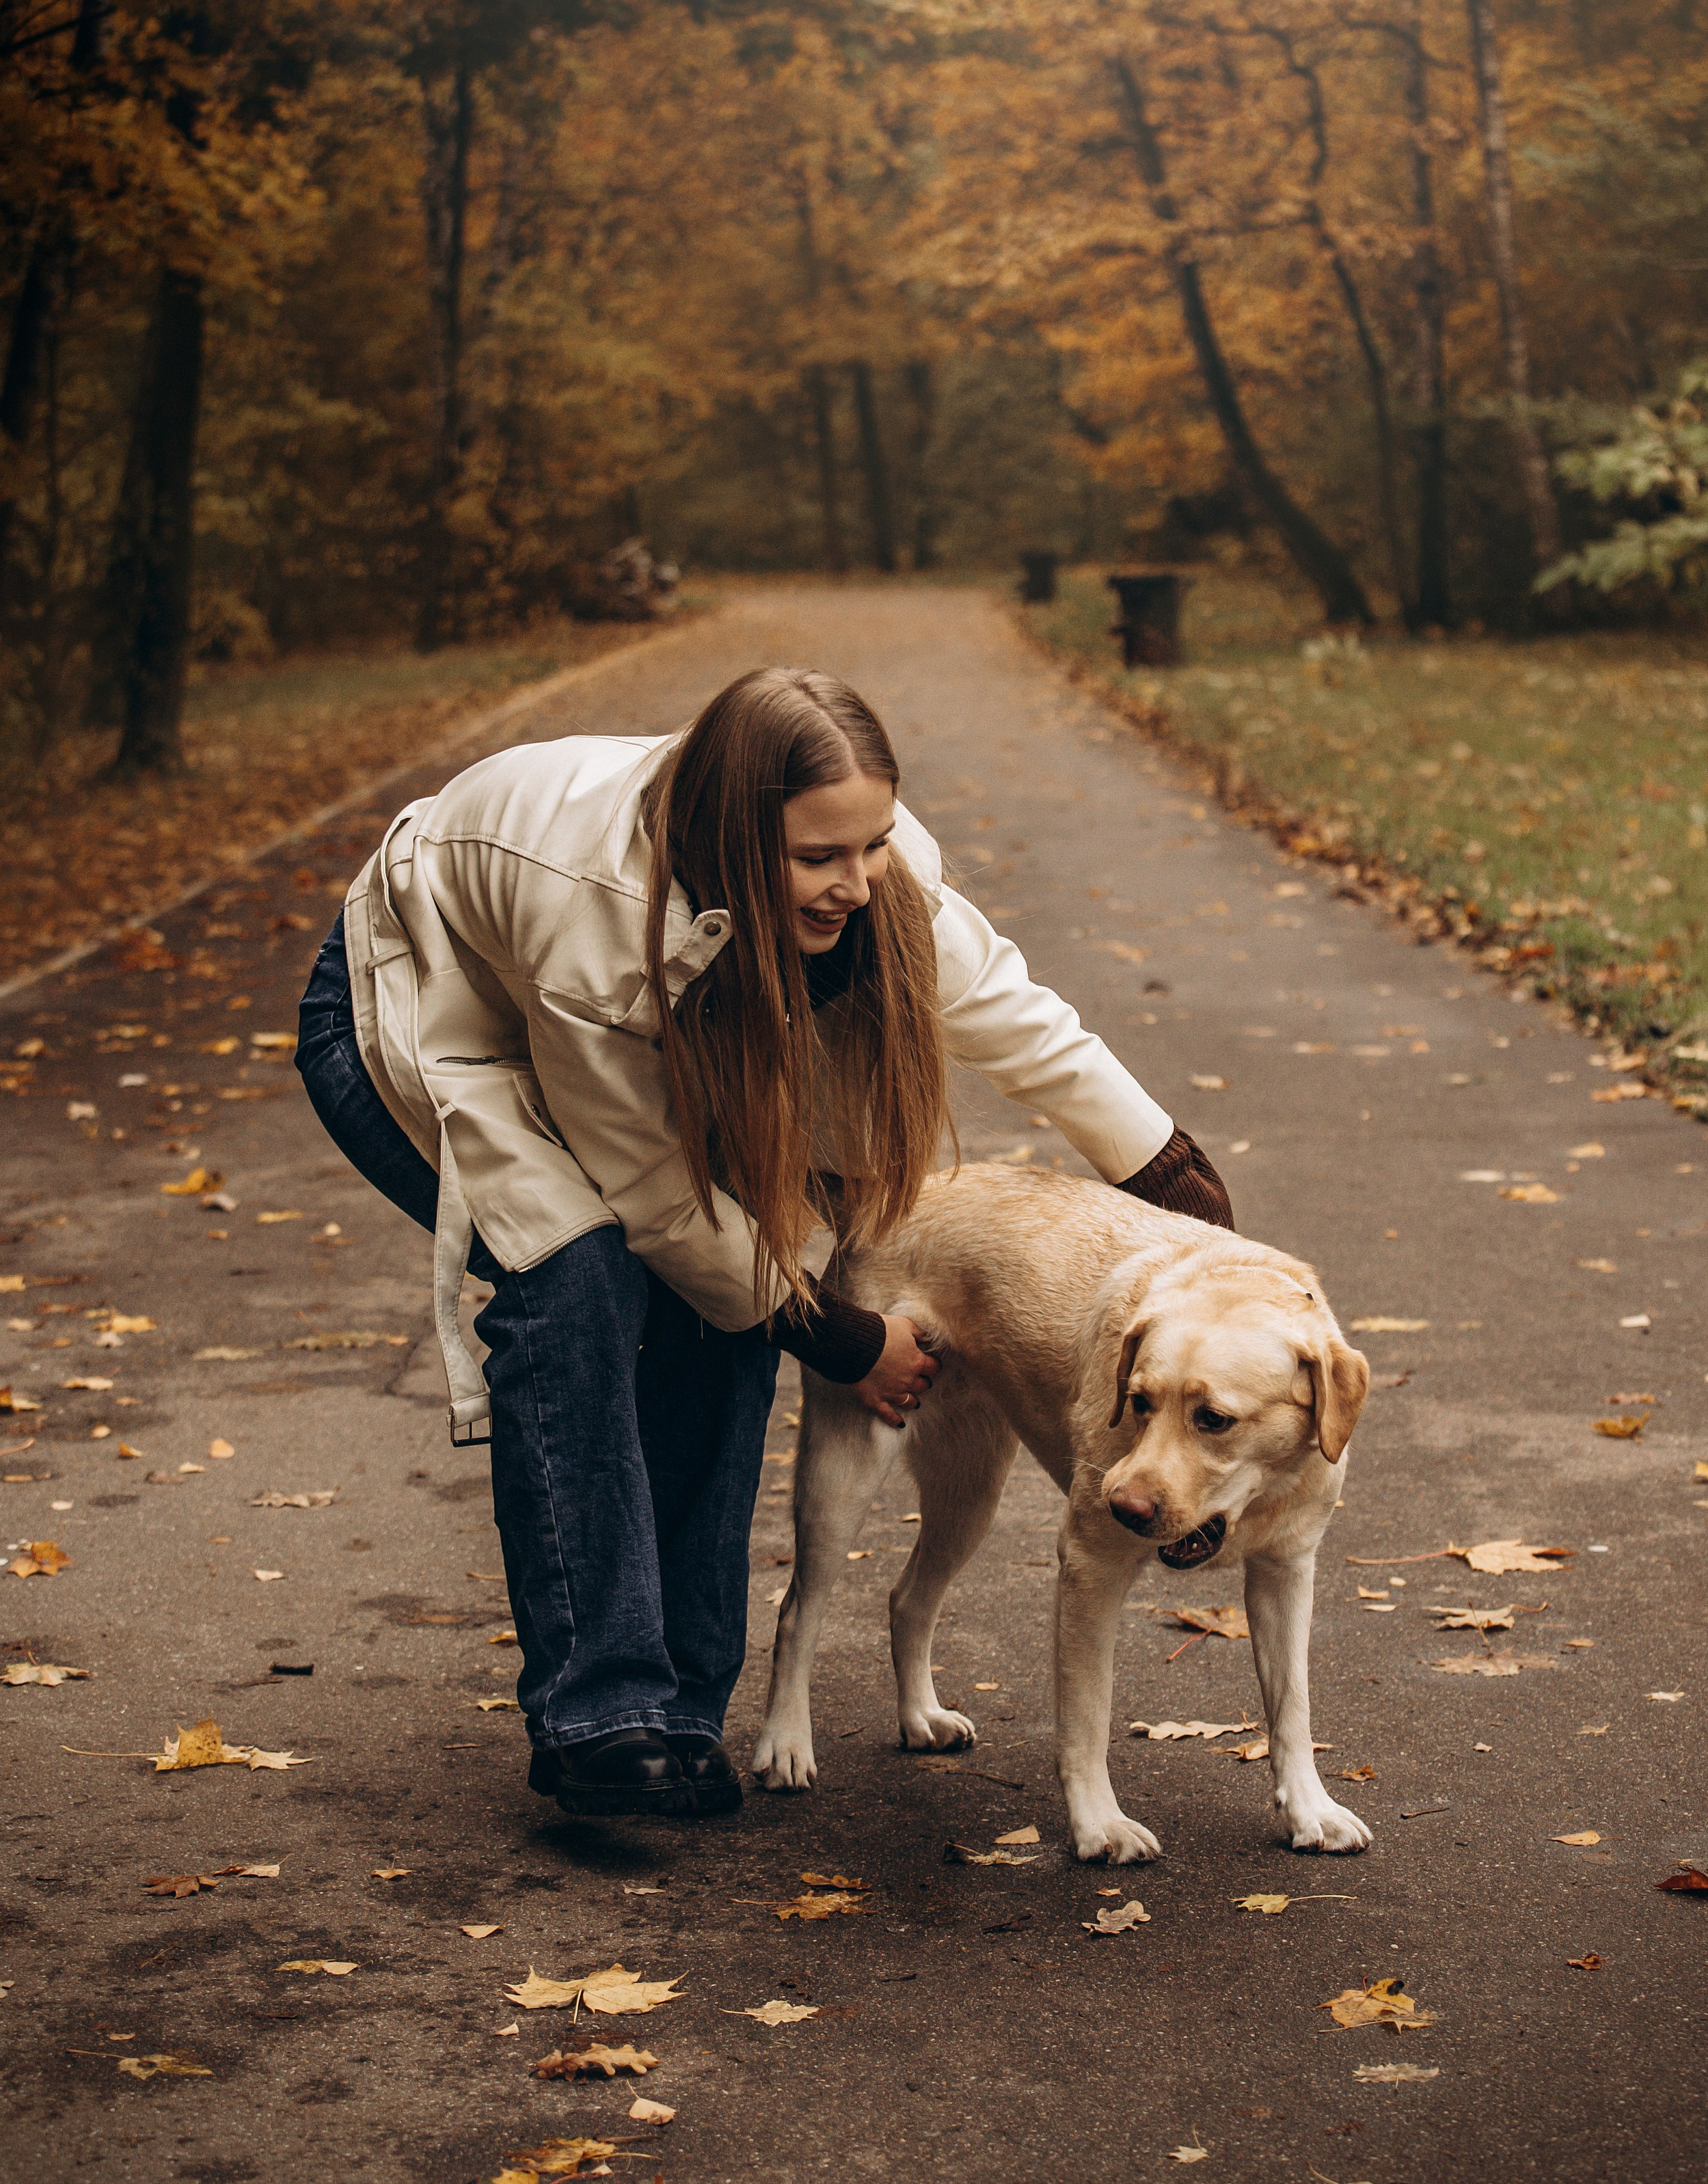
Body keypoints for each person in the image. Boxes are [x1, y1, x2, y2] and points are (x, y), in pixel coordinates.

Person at [295, 666, 1232, 1824]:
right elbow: (661, 1200)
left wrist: (1176, 1183)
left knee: (726, 1292)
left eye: (874, 844)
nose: (858, 881)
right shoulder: (597, 917)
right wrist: (844, 1339)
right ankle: (602, 1713)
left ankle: (686, 1711)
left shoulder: (872, 870)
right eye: (820, 858)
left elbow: (1016, 1016)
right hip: (426, 1011)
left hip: (609, 1028)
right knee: (578, 1280)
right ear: (736, 841)